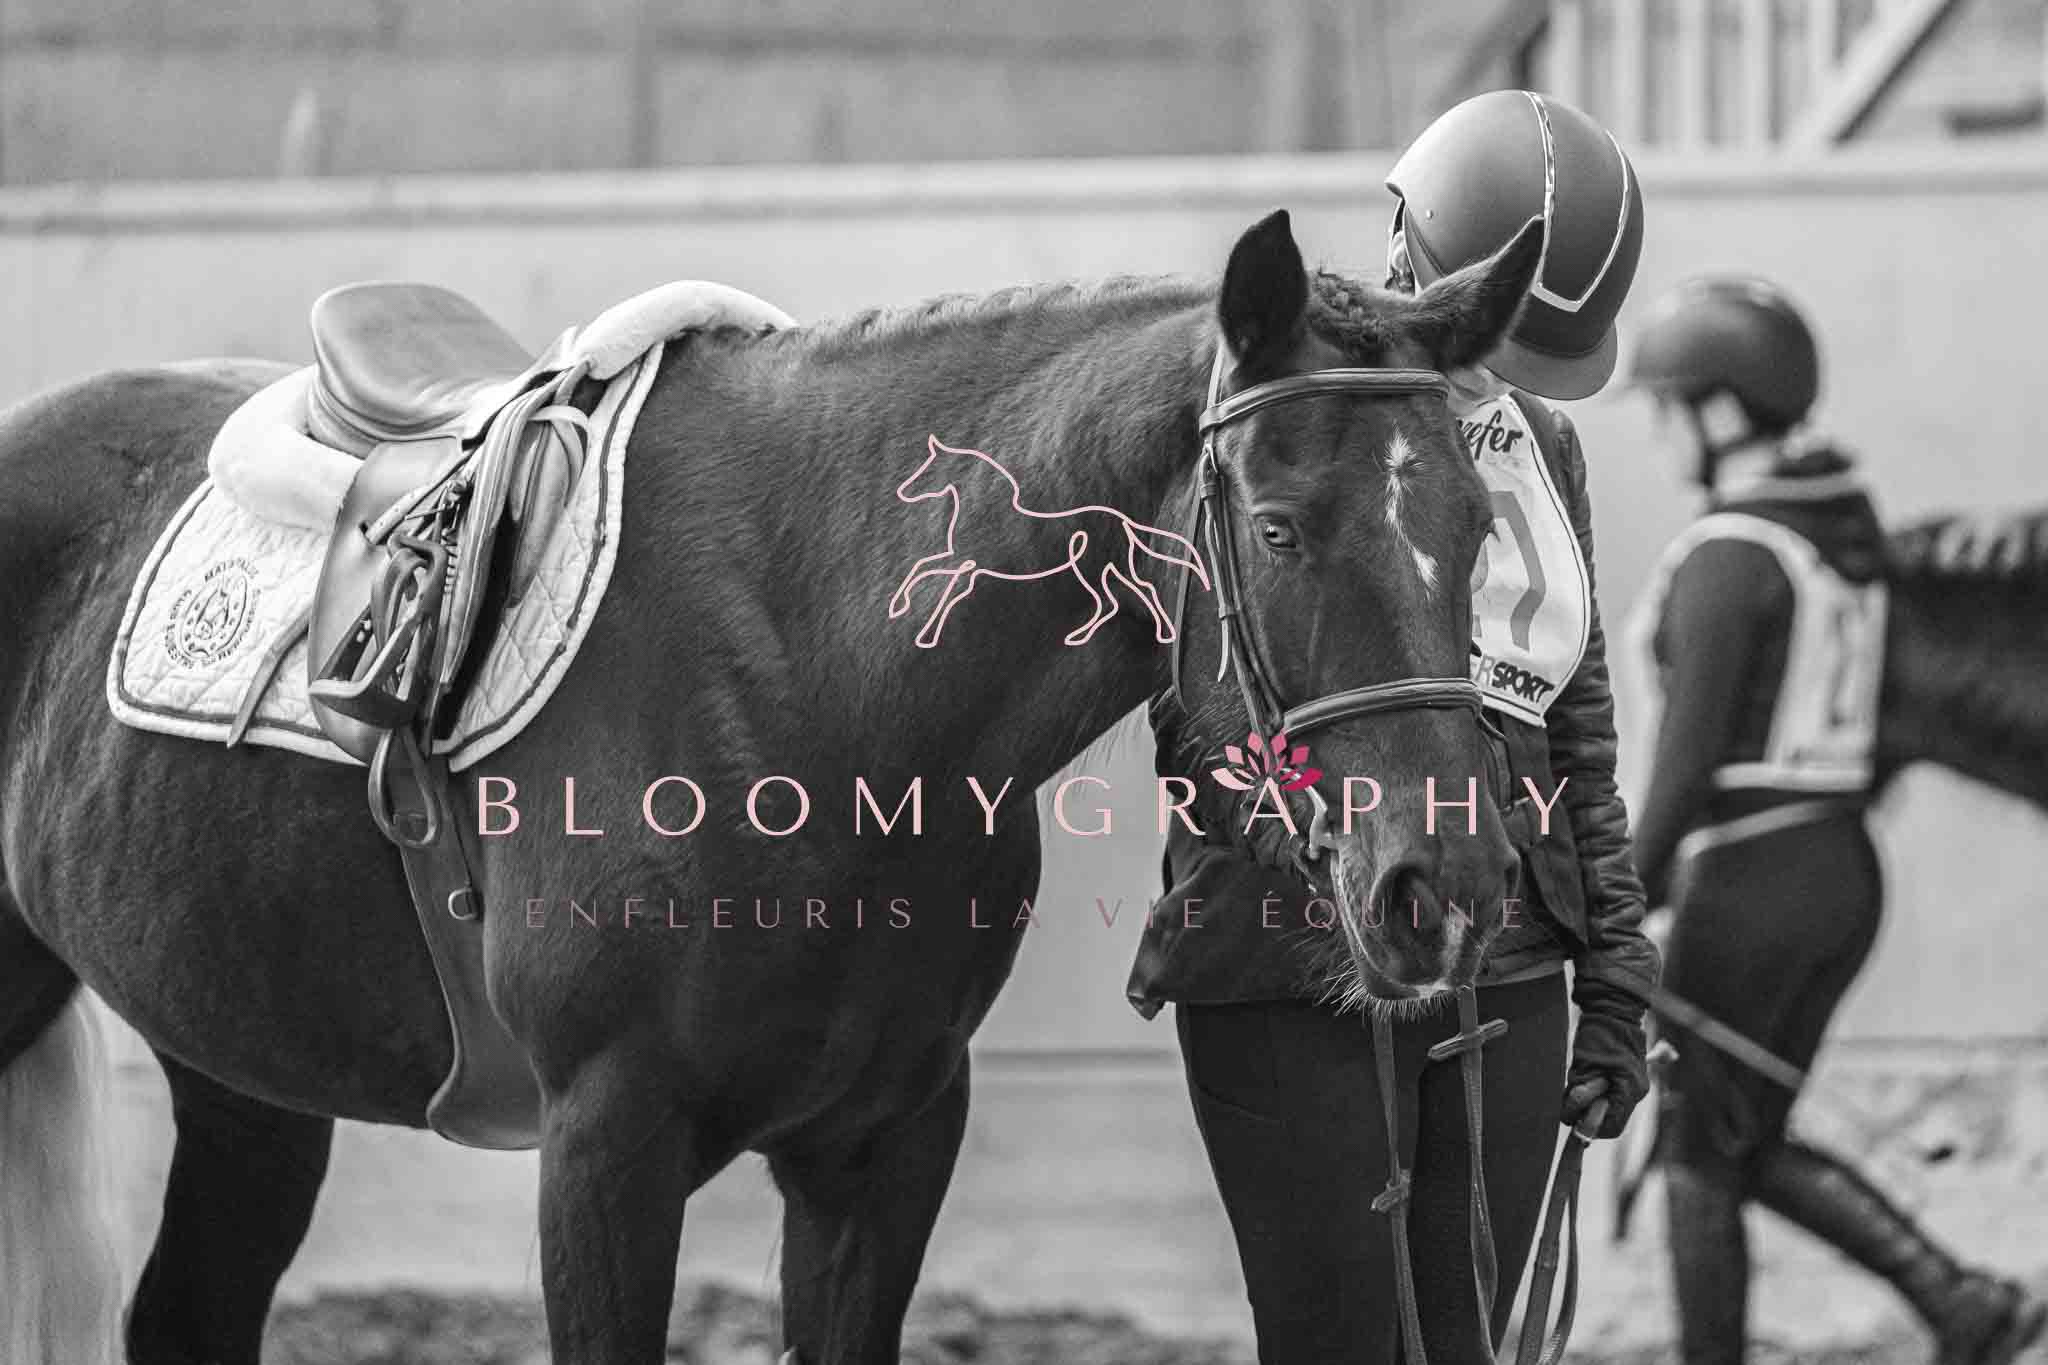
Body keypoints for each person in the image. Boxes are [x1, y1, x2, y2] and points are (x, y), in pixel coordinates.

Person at [1125, 90, 1661, 1364]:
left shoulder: (1542, 445)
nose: (1498, 383)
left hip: (1510, 945)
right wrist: (1338, 845)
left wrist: (1615, 971)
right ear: (1413, 257)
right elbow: (1194, 705)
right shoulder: (1261, 409)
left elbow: (1576, 729)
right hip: (1295, 954)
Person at [1623, 275, 2047, 1365]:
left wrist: (1613, 898)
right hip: (1838, 868)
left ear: (1721, 411)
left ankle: (1946, 1301)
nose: (1660, 434)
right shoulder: (1838, 543)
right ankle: (1959, 1303)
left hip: (1748, 875)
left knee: (1696, 1155)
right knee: (1738, 1132)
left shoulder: (1726, 556)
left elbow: (1686, 766)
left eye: (1668, 407)